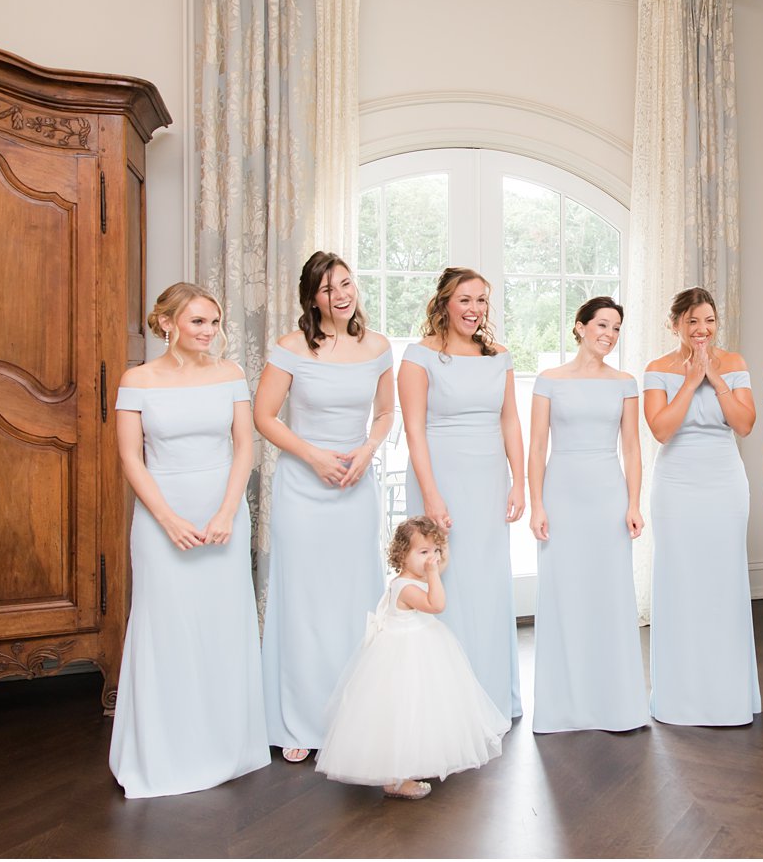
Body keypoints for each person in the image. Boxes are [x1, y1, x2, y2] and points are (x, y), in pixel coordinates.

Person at [109, 283, 269, 797]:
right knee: (166, 629)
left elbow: (244, 447)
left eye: (214, 322)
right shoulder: (138, 380)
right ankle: (164, 754)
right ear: (167, 323)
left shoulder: (231, 375)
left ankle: (228, 748)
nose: (209, 332)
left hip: (222, 511)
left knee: (222, 627)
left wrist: (227, 512)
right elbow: (132, 458)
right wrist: (168, 520)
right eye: (198, 322)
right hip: (162, 517)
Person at [255, 252, 395, 763]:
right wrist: (312, 455)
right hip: (303, 486)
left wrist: (367, 450)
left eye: (347, 283)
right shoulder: (290, 349)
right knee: (305, 602)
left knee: (355, 599)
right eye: (329, 287)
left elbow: (385, 413)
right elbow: (263, 416)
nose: (342, 294)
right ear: (312, 297)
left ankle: (356, 714)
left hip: (355, 486)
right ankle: (301, 721)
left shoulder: (378, 347)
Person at [398, 267, 525, 720]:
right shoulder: (419, 356)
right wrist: (431, 495)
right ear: (445, 303)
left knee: (485, 580)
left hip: (488, 479)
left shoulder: (500, 356)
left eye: (482, 301)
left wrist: (520, 481)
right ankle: (443, 703)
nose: (475, 310)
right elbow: (414, 430)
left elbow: (510, 420)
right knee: (442, 575)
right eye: (466, 300)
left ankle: (489, 691)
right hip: (440, 475)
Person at [316, 517, 511, 799]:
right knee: (404, 711)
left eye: (434, 551)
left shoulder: (417, 576)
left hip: (419, 646)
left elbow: (440, 567)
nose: (432, 558)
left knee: (426, 709)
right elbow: (437, 604)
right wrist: (433, 572)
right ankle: (397, 778)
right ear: (402, 555)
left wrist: (442, 547)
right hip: (405, 654)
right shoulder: (406, 587)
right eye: (423, 552)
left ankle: (412, 765)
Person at [527, 297, 649, 734]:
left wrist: (633, 503)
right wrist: (537, 503)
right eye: (602, 325)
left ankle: (615, 704)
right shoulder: (549, 381)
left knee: (609, 594)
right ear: (579, 327)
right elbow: (537, 447)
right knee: (564, 594)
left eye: (617, 328)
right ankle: (563, 707)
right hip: (562, 495)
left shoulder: (625, 382)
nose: (610, 335)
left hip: (607, 496)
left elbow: (632, 447)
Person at [642, 286, 759, 726]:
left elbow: (745, 424)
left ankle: (727, 692)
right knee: (681, 580)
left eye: (708, 320)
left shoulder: (735, 364)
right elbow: (661, 430)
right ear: (675, 325)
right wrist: (691, 381)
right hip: (675, 485)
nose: (701, 329)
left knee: (723, 579)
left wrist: (715, 378)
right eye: (692, 321)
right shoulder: (657, 370)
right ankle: (679, 695)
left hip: (725, 483)